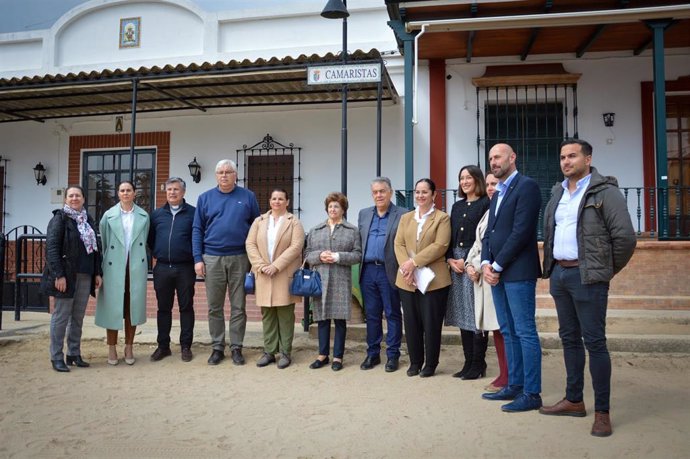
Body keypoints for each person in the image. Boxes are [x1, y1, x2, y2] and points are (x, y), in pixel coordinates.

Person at [540, 139, 636, 437]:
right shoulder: (558, 192)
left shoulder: (605, 192)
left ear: (588, 158)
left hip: (588, 278)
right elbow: (550, 231)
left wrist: (602, 270)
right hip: (560, 275)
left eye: (572, 155)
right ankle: (574, 399)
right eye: (562, 157)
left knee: (594, 342)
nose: (566, 161)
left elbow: (625, 239)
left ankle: (603, 412)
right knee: (569, 339)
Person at [480, 143, 543, 412]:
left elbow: (521, 232)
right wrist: (484, 262)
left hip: (518, 273)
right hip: (497, 274)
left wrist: (496, 265)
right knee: (507, 331)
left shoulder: (527, 187)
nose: (494, 161)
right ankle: (514, 385)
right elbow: (488, 234)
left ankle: (532, 393)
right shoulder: (498, 193)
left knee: (525, 332)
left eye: (498, 157)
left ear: (512, 158)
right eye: (491, 158)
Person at [193, 159, 260, 366]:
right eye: (220, 172)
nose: (224, 175)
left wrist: (255, 259)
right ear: (216, 176)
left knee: (238, 306)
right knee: (215, 306)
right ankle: (217, 347)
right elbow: (197, 229)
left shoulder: (248, 197)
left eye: (228, 172)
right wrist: (198, 258)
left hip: (240, 257)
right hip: (212, 258)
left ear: (235, 175)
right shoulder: (205, 198)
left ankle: (237, 347)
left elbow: (256, 227)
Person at [41, 185, 102, 372]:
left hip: (85, 274)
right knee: (61, 317)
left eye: (78, 195)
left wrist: (97, 272)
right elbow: (51, 249)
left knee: (77, 317)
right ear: (65, 199)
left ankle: (73, 353)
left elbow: (95, 248)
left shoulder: (87, 220)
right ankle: (56, 356)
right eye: (71, 195)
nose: (74, 198)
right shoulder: (59, 219)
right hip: (66, 276)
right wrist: (58, 275)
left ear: (84, 199)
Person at [394, 178, 451, 378]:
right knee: (411, 323)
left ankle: (430, 363)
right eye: (417, 192)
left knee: (431, 323)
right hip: (407, 279)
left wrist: (413, 263)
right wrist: (406, 267)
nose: (420, 196)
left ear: (434, 195)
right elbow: (398, 244)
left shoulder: (442, 218)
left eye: (425, 192)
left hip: (433, 281)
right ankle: (415, 361)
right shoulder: (406, 218)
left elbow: (440, 246)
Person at [246, 188, 305, 369]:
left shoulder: (294, 222)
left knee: (286, 315)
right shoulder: (259, 221)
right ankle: (269, 351)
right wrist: (261, 265)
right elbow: (250, 243)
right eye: (274, 198)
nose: (277, 201)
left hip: (283, 273)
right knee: (268, 315)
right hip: (263, 274)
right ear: (270, 201)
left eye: (281, 199)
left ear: (287, 202)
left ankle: (285, 352)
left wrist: (276, 265)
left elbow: (296, 247)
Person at [95, 180, 150, 366]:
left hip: (135, 266)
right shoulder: (108, 216)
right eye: (122, 190)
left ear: (135, 193)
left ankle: (129, 346)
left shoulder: (143, 215)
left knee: (131, 308)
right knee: (113, 307)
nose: (125, 193)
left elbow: (144, 239)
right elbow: (103, 243)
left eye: (129, 190)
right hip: (113, 267)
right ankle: (111, 347)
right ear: (118, 194)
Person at [305, 192, 362, 371]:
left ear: (343, 209)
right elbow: (307, 254)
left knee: (339, 320)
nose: (333, 209)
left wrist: (338, 256)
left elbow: (357, 255)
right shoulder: (315, 230)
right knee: (321, 319)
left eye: (336, 206)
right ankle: (322, 355)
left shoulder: (352, 231)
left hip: (340, 280)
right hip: (320, 279)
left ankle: (338, 357)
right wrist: (319, 255)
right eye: (330, 206)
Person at [445, 165, 490, 380]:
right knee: (462, 314)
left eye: (468, 177)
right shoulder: (456, 206)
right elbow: (450, 237)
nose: (464, 182)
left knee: (476, 315)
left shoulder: (485, 204)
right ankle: (467, 361)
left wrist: (469, 261)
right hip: (457, 266)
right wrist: (450, 259)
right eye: (461, 178)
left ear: (477, 180)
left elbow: (484, 238)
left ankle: (478, 363)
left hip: (474, 265)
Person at [465, 173, 509, 392]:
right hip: (482, 278)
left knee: (502, 329)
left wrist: (488, 266)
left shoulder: (504, 209)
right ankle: (504, 375)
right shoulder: (489, 212)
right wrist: (469, 265)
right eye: (489, 184)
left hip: (496, 277)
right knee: (495, 330)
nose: (492, 188)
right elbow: (478, 245)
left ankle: (508, 377)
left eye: (496, 184)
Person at [357, 177, 404, 372]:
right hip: (368, 270)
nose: (379, 195)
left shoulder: (402, 214)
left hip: (389, 270)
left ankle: (393, 355)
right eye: (375, 192)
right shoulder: (364, 214)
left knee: (392, 313)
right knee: (372, 315)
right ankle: (373, 353)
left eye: (382, 191)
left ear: (390, 192)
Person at [148, 177, 196, 362]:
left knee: (186, 308)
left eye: (176, 189)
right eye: (169, 190)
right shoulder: (157, 214)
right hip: (162, 268)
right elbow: (151, 239)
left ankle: (185, 346)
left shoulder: (193, 213)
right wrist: (159, 253)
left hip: (185, 267)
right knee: (163, 308)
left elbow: (197, 237)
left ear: (183, 192)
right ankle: (163, 346)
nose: (172, 193)